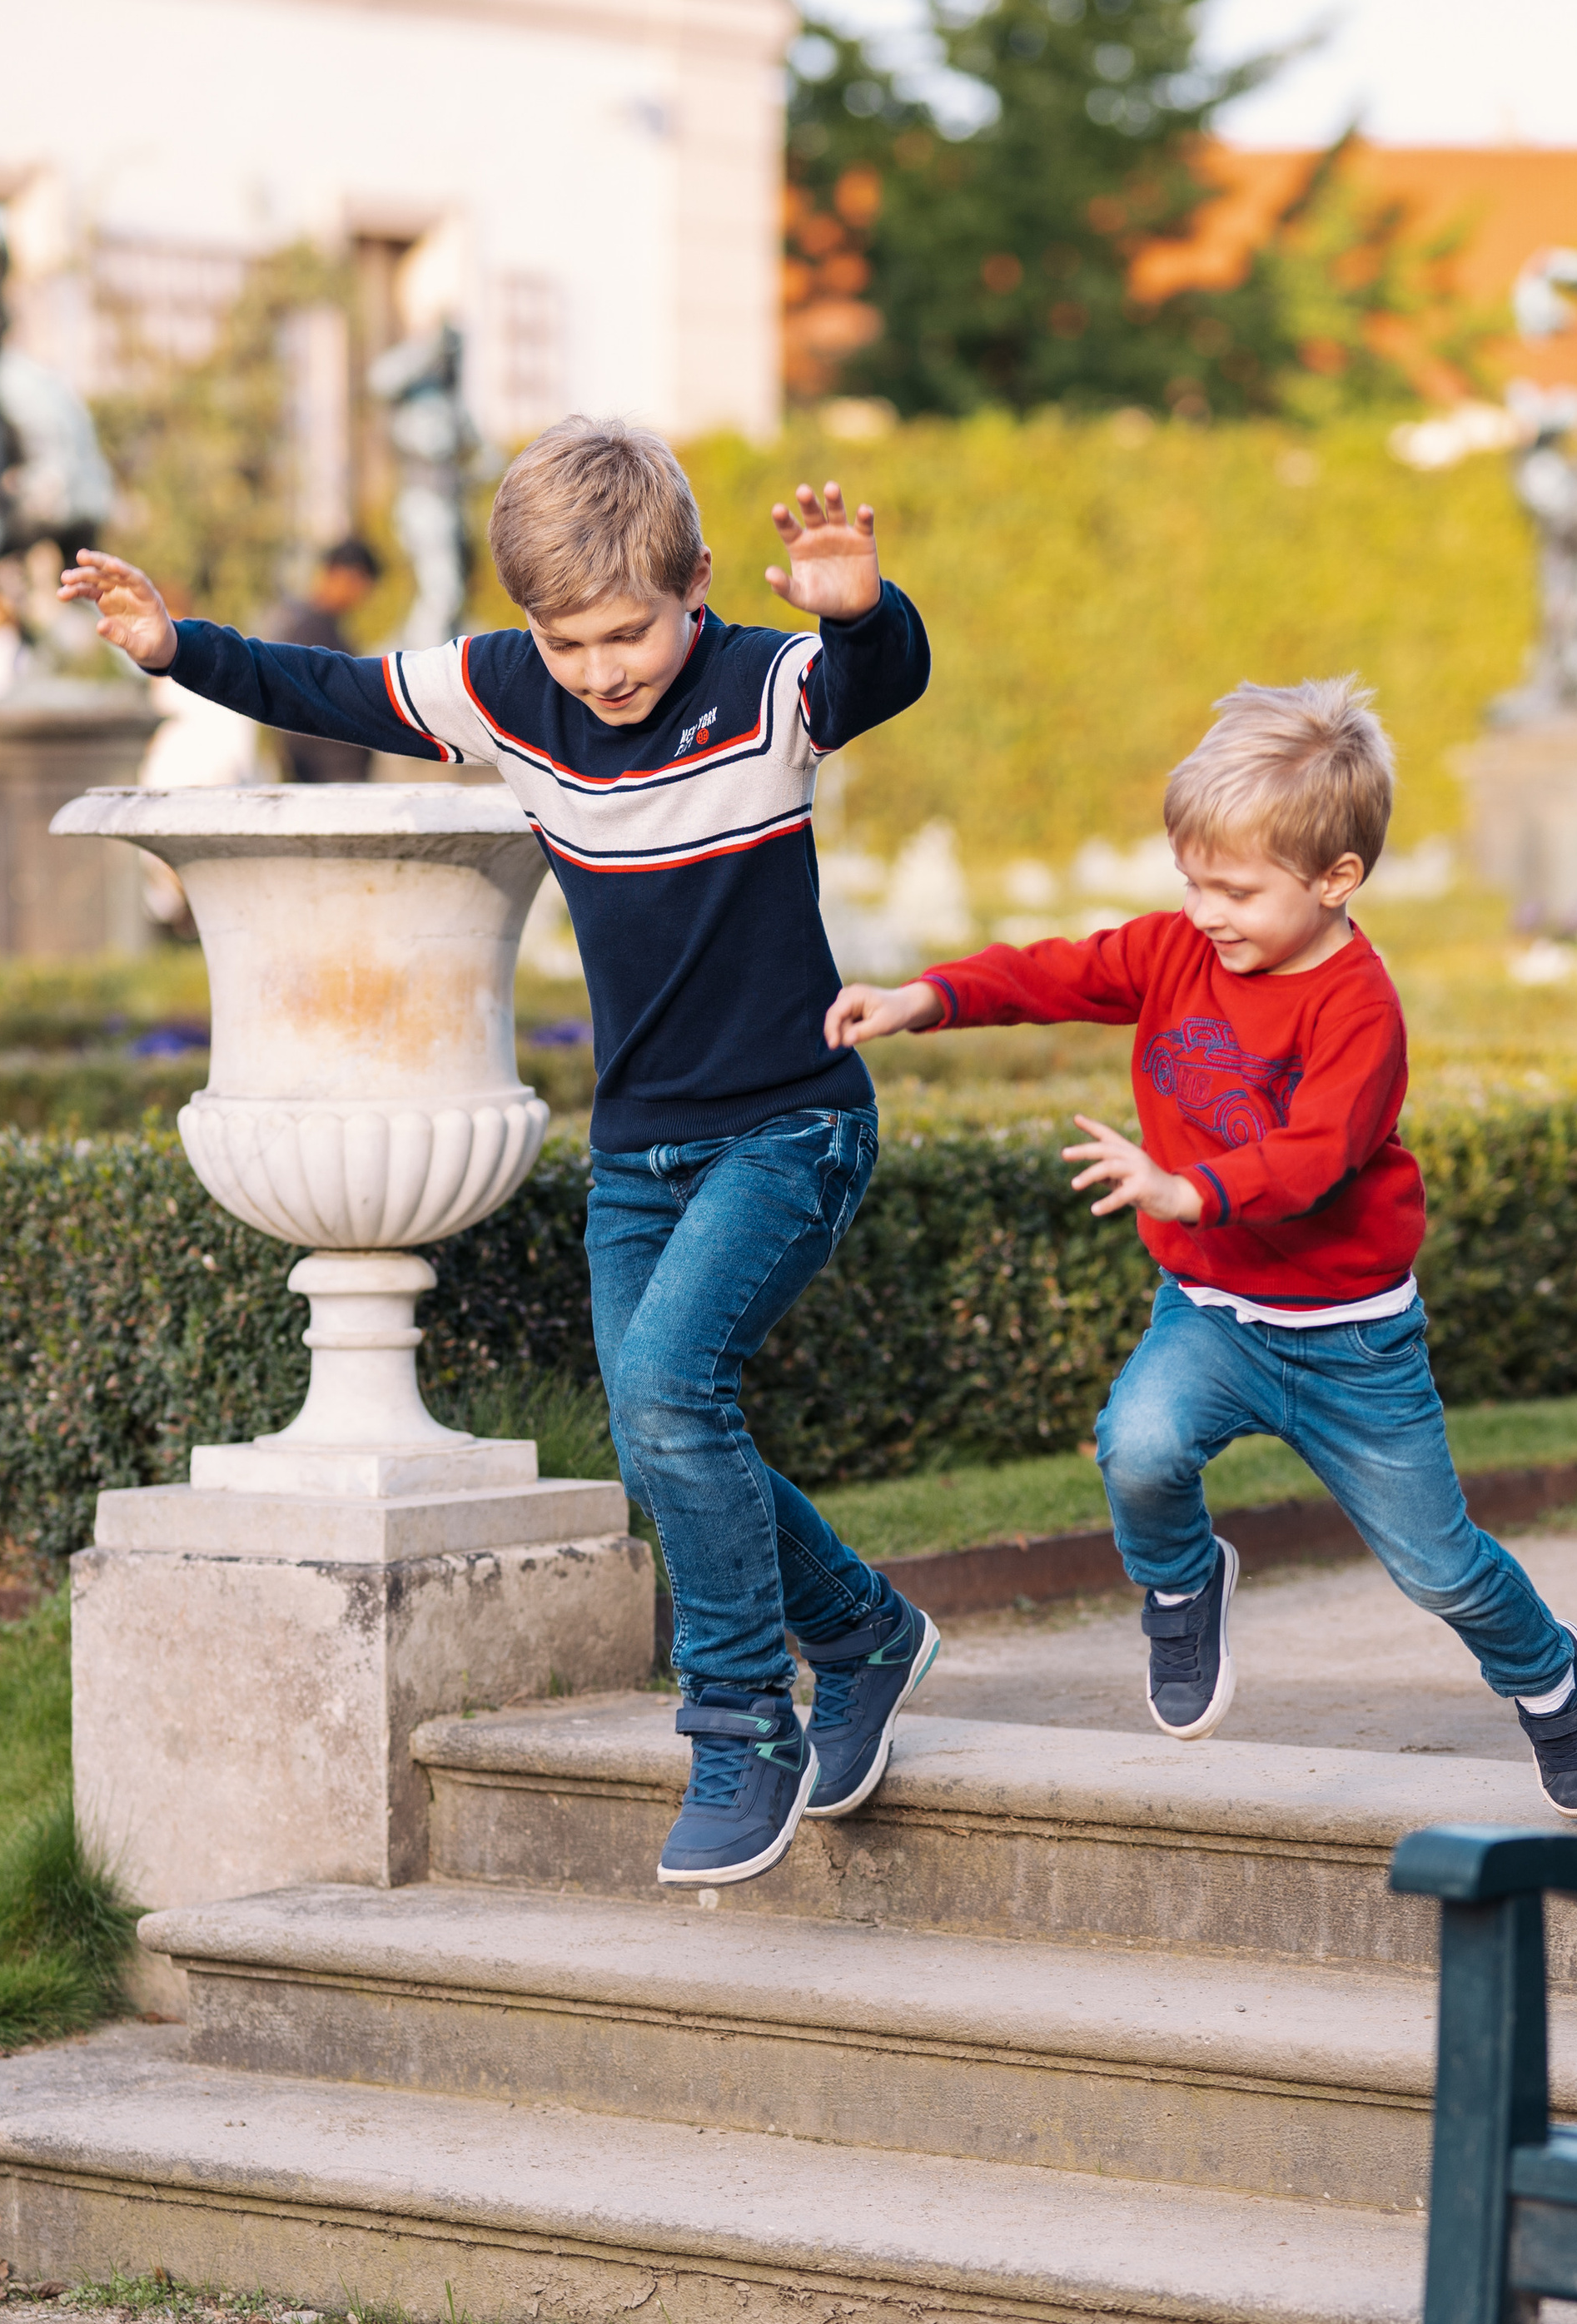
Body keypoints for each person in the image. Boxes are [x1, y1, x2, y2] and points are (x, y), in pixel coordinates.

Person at [59, 417, 940, 1885]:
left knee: (668, 1392)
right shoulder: (505, 693)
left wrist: (861, 612)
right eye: (568, 641)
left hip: (794, 1125)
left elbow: (874, 680)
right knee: (660, 1438)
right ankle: (862, 1635)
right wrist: (174, 647)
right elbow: (328, 686)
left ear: (698, 584)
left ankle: (740, 1722)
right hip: (640, 1153)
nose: (601, 670)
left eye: (628, 634)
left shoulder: (767, 684)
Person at [823, 677, 1577, 1820]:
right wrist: (926, 999)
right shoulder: (1176, 951)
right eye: (1192, 881)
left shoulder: (1358, 1009)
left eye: (1237, 891)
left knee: (1439, 1569)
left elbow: (1313, 1157)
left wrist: (1185, 1189)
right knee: (1138, 1447)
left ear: (1335, 879)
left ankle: (1549, 1681)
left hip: (1353, 1347)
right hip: (1212, 1311)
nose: (1205, 911)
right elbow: (1056, 972)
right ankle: (1182, 1584)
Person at [267, 534, 386, 782]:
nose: (362, 595)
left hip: (333, 776)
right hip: (327, 777)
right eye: (361, 582)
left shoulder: (323, 627)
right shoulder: (311, 631)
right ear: (343, 573)